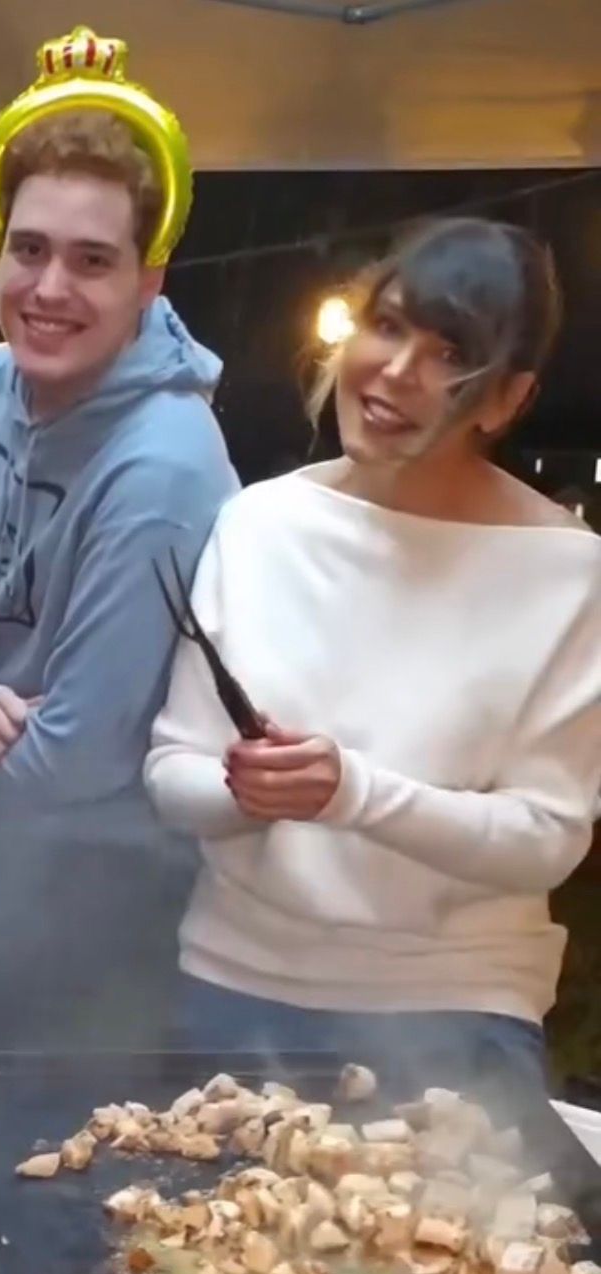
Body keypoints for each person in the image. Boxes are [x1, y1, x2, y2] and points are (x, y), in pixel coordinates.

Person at [145, 217, 601, 1097]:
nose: (395, 371)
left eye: (449, 354)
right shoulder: (261, 523)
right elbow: (173, 771)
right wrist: (249, 792)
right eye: (387, 326)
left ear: (506, 399)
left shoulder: (567, 572)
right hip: (234, 986)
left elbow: (546, 837)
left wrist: (351, 792)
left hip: (458, 1009)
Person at [0, 39, 236, 1048]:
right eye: (29, 249)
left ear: (149, 280)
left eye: (92, 261)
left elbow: (74, 760)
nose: (48, 287)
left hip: (112, 918)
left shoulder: (164, 467)